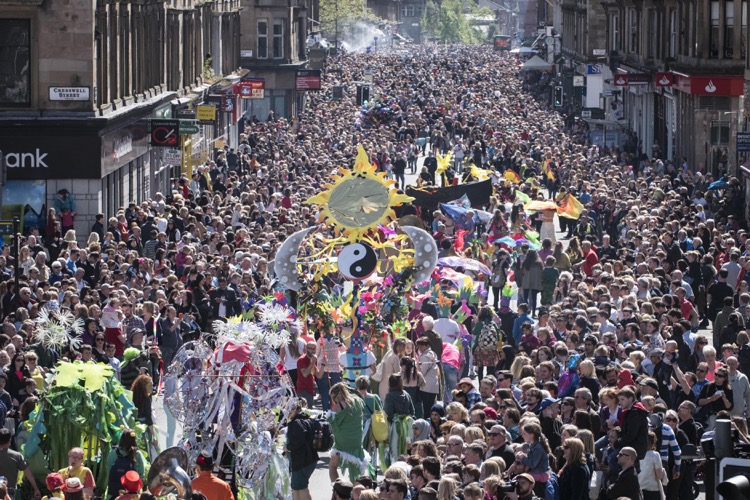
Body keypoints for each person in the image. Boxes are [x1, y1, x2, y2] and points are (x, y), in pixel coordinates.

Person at [328, 382, 367, 481]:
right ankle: (356, 491)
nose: (334, 401)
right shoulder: (358, 401)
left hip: (342, 442)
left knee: (332, 467)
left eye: (334, 398)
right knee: (356, 471)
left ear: (340, 394)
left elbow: (334, 424)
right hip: (357, 441)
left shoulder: (339, 406)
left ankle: (337, 489)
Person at [287, 399, 318, 500]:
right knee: (297, 487)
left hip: (302, 461)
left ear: (295, 409)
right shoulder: (305, 419)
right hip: (307, 460)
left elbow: (299, 440)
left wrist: (287, 447)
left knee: (300, 487)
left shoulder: (297, 422)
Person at [0, 428, 40, 498]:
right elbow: (29, 474)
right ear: (10, 440)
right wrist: (36, 489)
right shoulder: (17, 456)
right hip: (9, 493)